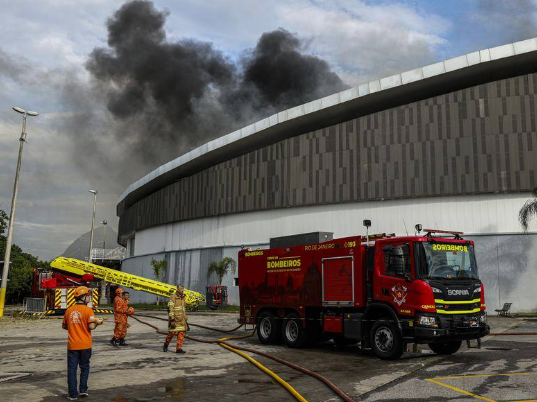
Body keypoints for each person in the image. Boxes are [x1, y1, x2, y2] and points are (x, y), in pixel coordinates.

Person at [62, 286, 103, 400]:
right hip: (85, 345)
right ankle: (83, 390)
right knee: (84, 367)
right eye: (88, 295)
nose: (89, 298)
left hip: (72, 345)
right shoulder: (88, 310)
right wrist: (98, 322)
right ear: (83, 297)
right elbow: (91, 326)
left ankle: (72, 394)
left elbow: (64, 326)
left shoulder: (69, 310)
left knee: (72, 369)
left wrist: (74, 327)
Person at [163, 285, 189, 354]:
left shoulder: (183, 297)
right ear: (177, 289)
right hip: (175, 319)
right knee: (172, 333)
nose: (182, 290)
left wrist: (185, 319)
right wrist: (172, 319)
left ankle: (178, 349)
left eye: (183, 288)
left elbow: (183, 308)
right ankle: (166, 344)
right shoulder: (173, 297)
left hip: (182, 319)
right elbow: (170, 309)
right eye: (181, 288)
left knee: (181, 333)